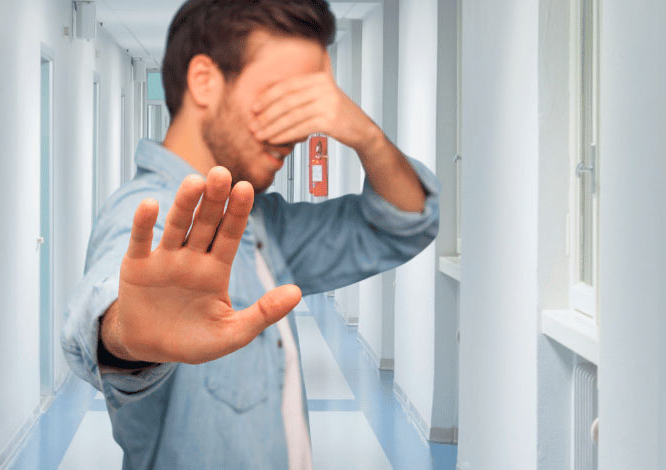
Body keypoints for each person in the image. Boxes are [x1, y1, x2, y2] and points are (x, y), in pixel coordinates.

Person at [61, 0, 439, 468]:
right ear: (205, 81)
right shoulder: (151, 214)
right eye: (283, 95)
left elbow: (401, 225)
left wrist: (367, 137)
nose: (301, 128)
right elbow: (107, 310)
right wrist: (127, 337)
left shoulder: (261, 222)